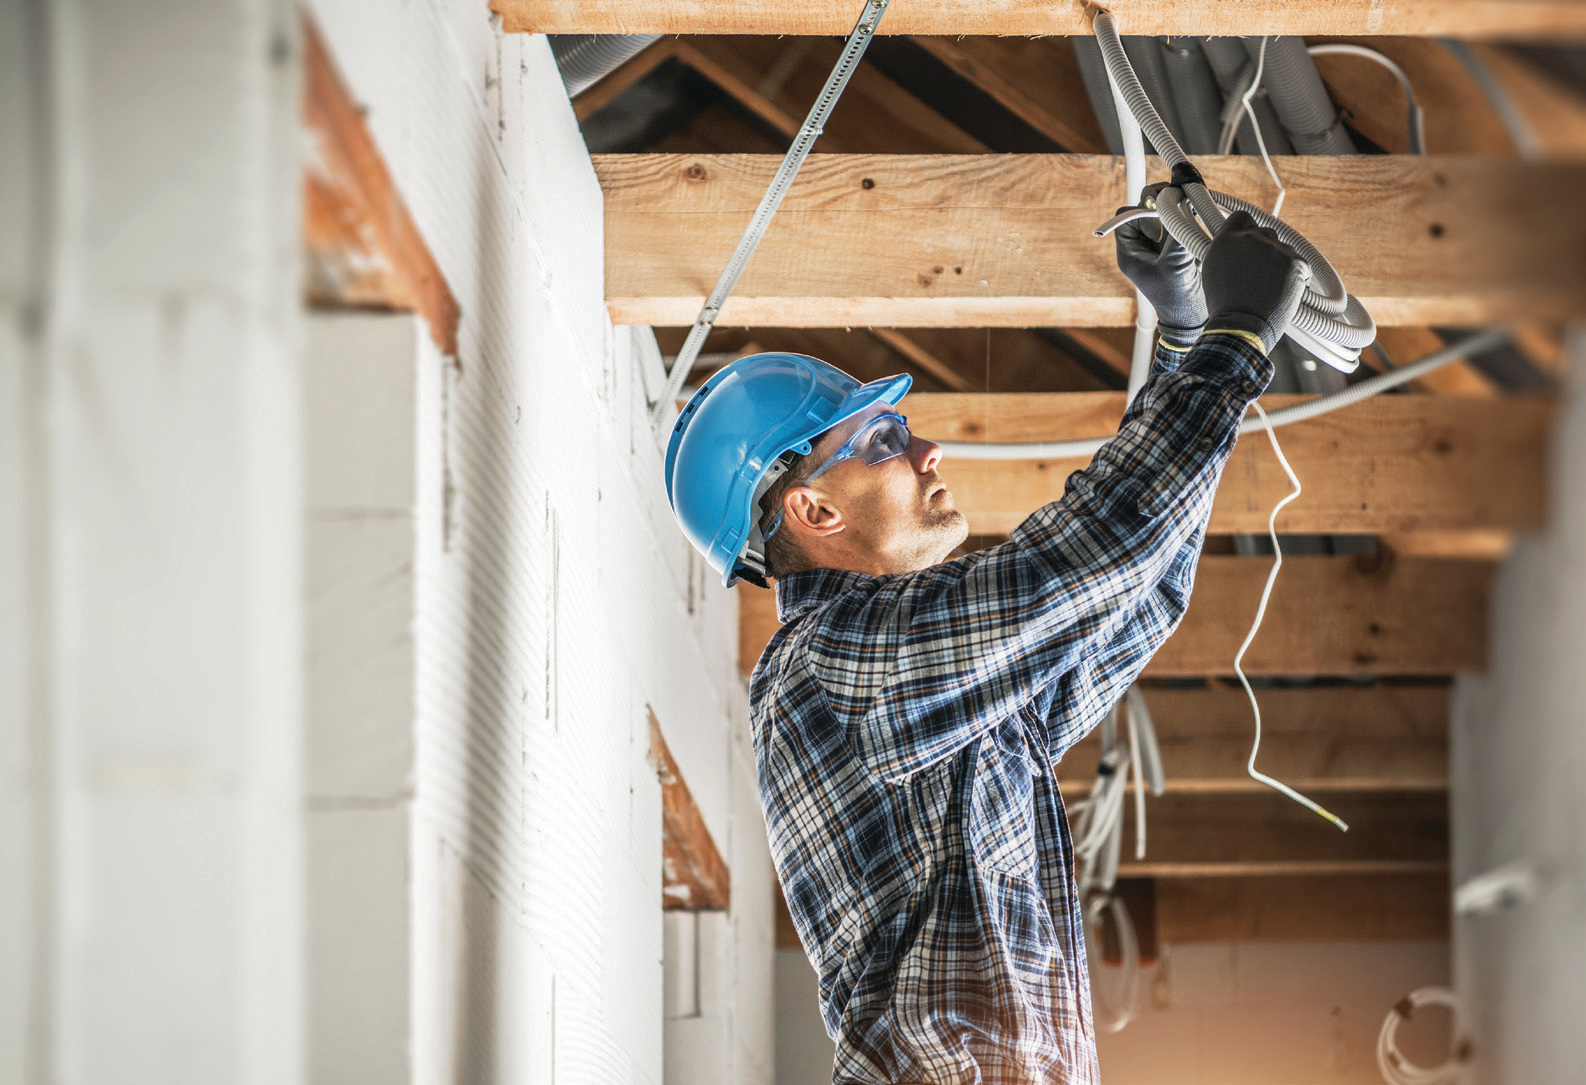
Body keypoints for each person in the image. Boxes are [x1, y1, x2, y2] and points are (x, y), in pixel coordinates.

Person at [664, 209, 1311, 1083]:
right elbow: (1089, 559)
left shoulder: (932, 690)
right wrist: (1231, 347)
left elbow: (1138, 589)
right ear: (814, 510)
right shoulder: (831, 665)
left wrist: (1185, 350)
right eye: (883, 441)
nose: (926, 449)